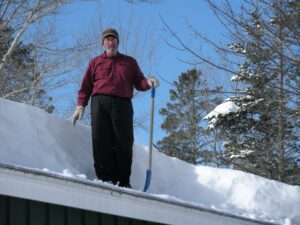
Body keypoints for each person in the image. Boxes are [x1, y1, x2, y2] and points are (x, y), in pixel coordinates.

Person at [72, 28, 159, 188]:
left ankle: (123, 181)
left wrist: (148, 82)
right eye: (107, 39)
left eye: (113, 39)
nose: (110, 42)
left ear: (118, 42)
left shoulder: (129, 62)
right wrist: (80, 105)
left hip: (122, 105)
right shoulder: (95, 62)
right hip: (99, 104)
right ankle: (105, 178)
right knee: (100, 140)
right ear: (103, 43)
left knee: (123, 141)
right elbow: (85, 86)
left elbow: (139, 82)